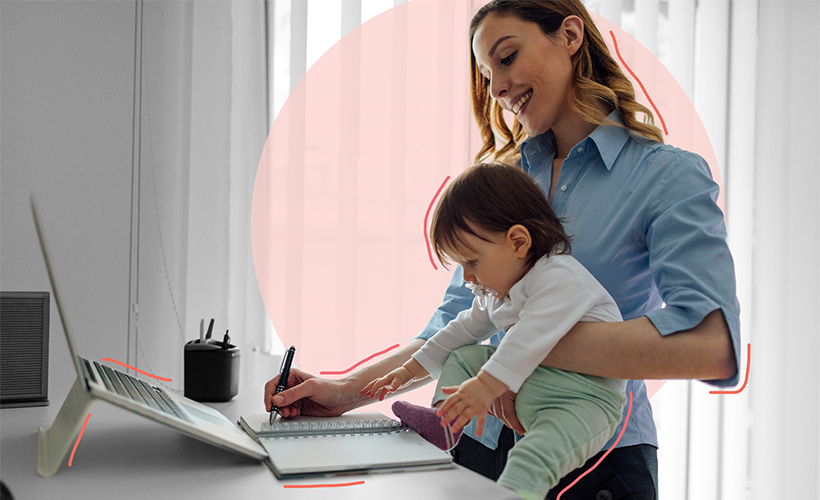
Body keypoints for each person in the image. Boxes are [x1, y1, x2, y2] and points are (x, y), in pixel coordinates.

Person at [264, 1, 740, 498]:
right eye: (487, 74)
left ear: (570, 36)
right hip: (476, 440)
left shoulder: (666, 176)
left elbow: (713, 347)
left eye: (507, 58)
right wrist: (343, 393)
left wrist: (519, 346)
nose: (496, 88)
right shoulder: (504, 181)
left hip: (595, 458)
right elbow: (455, 324)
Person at [361, 162, 627, 500]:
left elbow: (528, 337)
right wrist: (410, 369)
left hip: (584, 401)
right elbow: (463, 327)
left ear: (518, 242)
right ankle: (445, 423)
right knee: (463, 356)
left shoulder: (559, 277)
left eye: (471, 263)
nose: (467, 277)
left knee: (528, 461)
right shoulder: (500, 291)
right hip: (536, 384)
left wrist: (485, 386)